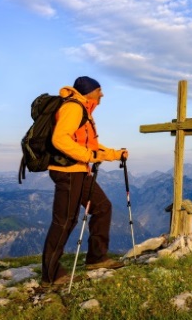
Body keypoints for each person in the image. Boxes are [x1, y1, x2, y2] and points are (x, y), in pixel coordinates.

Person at [41, 76, 128, 287]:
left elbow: (90, 146)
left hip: (79, 170)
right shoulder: (74, 108)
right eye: (99, 90)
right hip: (68, 172)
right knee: (64, 221)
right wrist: (89, 156)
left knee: (102, 207)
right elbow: (60, 139)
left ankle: (97, 258)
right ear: (89, 92)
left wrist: (116, 154)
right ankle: (50, 276)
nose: (102, 94)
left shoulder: (83, 110)